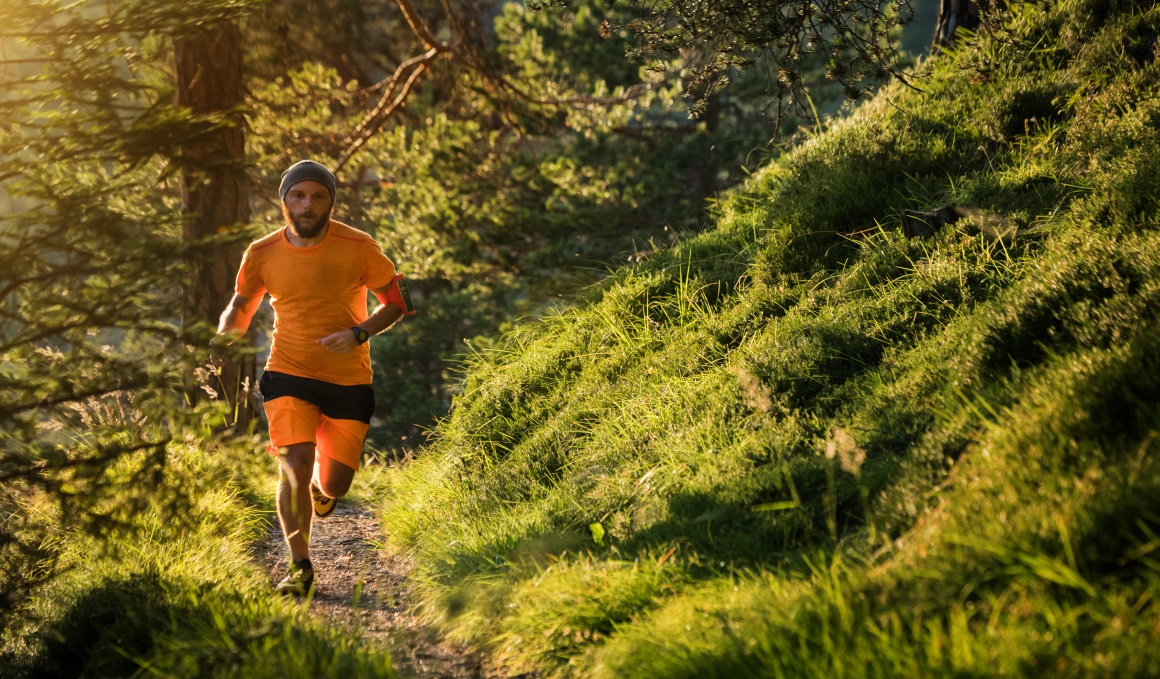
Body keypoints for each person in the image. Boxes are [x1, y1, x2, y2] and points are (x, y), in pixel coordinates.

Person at [216, 159, 413, 597]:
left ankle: (325, 492)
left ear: (330, 202)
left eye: (318, 196)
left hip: (349, 379)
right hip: (288, 371)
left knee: (335, 482)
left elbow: (396, 301)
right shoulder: (262, 252)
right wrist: (223, 336)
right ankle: (300, 565)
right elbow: (242, 302)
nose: (308, 205)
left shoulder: (358, 246)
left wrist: (360, 332)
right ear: (283, 200)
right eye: (298, 195)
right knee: (294, 468)